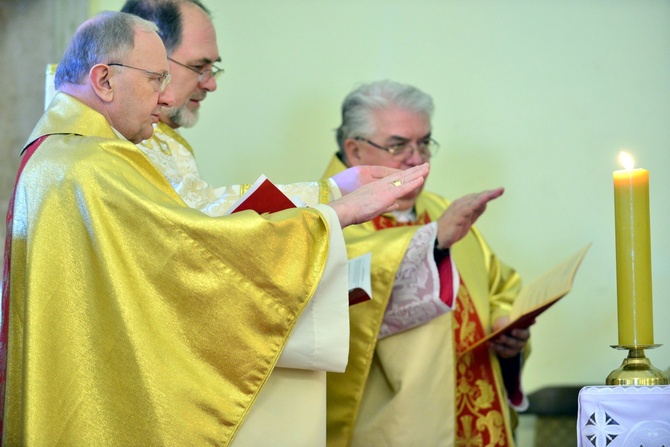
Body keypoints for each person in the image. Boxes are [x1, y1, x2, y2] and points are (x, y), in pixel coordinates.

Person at [0, 14, 429, 446]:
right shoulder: (90, 165)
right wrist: (335, 215)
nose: (167, 97)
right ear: (105, 80)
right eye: (156, 79)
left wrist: (334, 189)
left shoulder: (66, 152)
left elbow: (178, 233)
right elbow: (190, 248)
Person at [322, 80, 531, 447]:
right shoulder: (325, 218)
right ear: (354, 150)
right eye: (399, 145)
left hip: (478, 415)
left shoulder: (440, 210)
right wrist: (431, 242)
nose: (417, 159)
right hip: (395, 429)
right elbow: (346, 304)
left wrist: (506, 328)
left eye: (424, 142)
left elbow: (500, 287)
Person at [120, 0, 339, 215]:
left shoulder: (167, 138)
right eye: (198, 67)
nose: (211, 84)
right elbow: (190, 221)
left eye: (212, 69)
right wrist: (331, 191)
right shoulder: (121, 137)